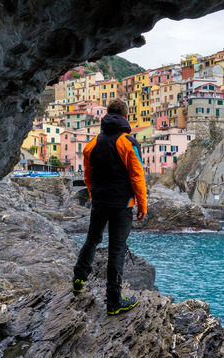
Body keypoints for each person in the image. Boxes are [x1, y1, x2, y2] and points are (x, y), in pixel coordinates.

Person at [72, 98, 147, 315]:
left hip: (99, 202)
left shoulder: (92, 143)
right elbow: (137, 176)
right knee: (117, 249)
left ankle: (78, 280)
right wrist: (142, 205)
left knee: (92, 239)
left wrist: (93, 196)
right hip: (122, 204)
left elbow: (88, 176)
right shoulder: (129, 143)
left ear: (107, 115)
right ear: (126, 116)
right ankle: (114, 301)